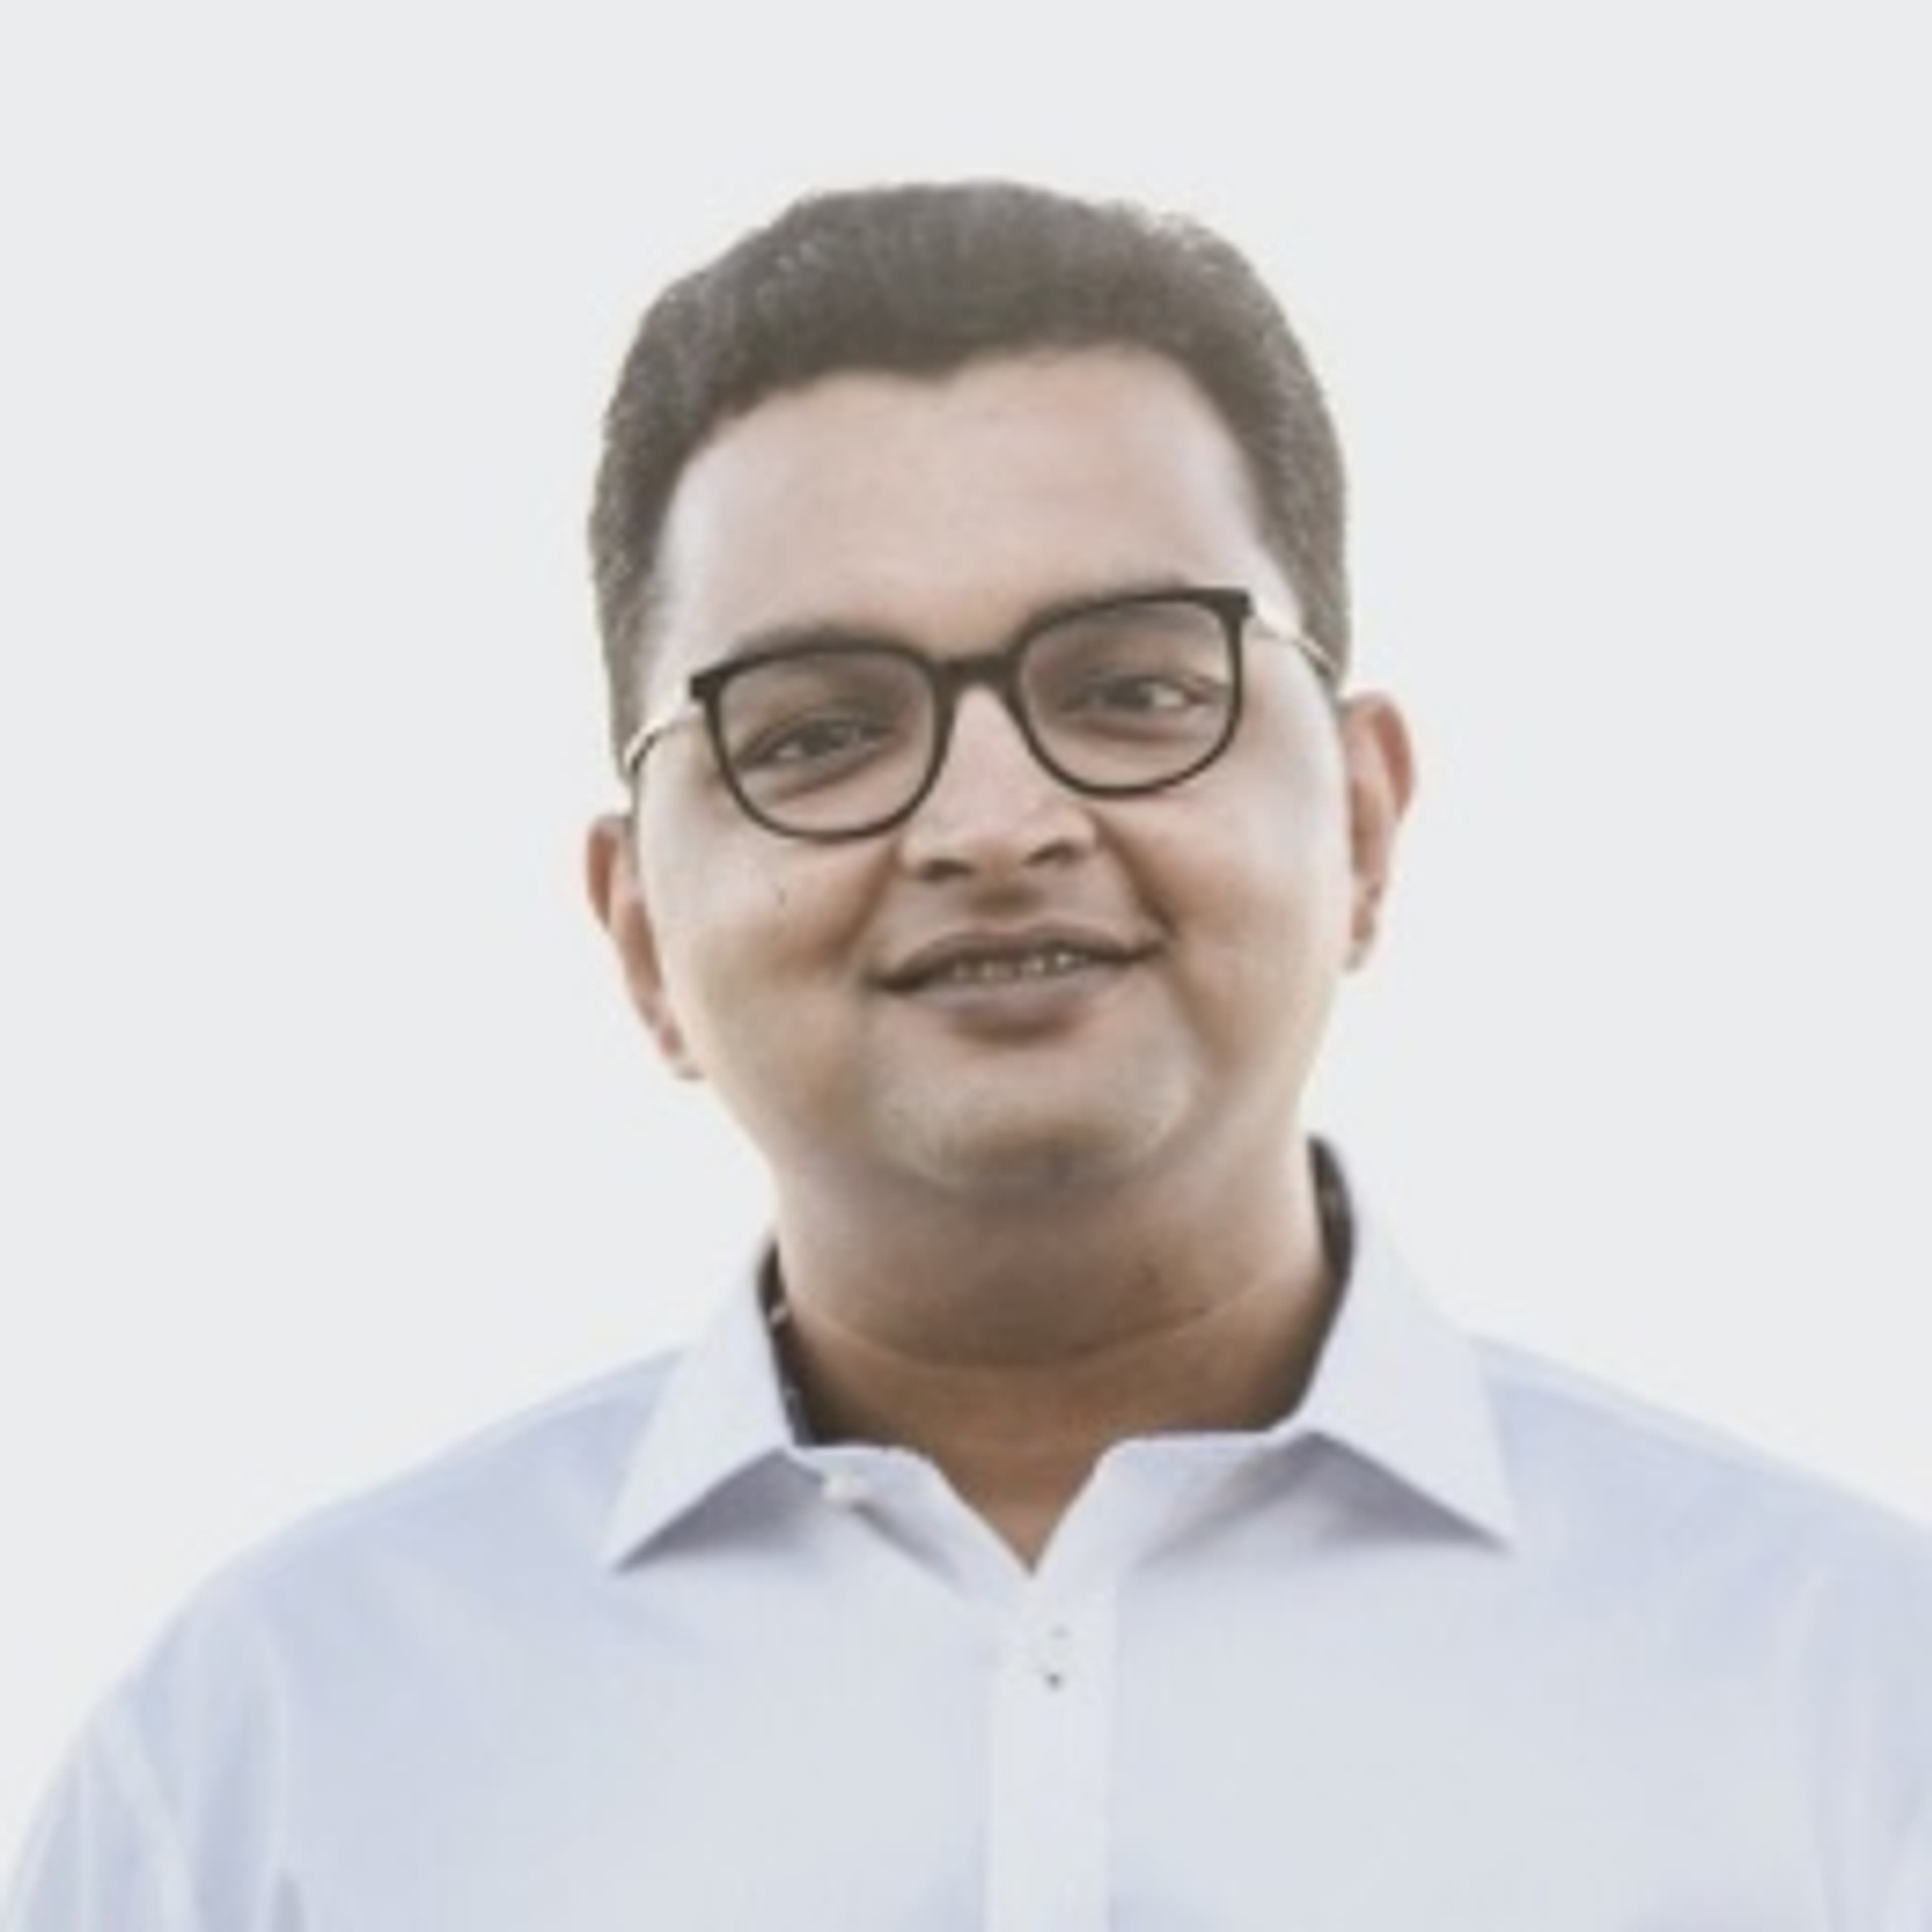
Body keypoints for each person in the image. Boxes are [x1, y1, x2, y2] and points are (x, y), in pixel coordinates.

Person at [7, 178, 1930, 1929]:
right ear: (641, 931)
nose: (995, 822)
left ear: (1362, 820)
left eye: (1134, 688)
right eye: (820, 731)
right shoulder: (271, 1756)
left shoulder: (1842, 1700)